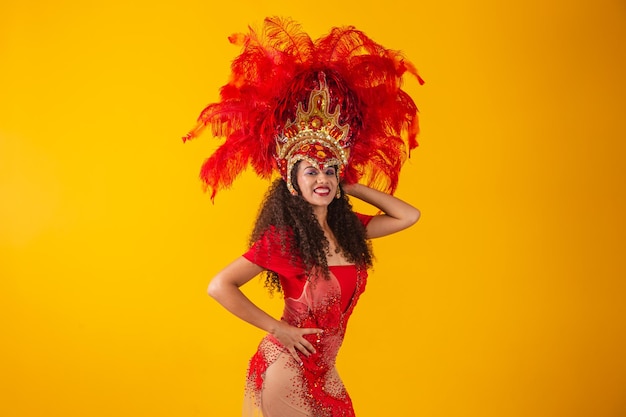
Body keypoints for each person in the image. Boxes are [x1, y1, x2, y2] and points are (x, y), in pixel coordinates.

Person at [183, 17, 423, 417]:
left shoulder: (352, 231)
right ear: (293, 182)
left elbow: (407, 216)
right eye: (311, 171)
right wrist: (278, 329)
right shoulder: (284, 240)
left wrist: (352, 185)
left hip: (325, 371)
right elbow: (219, 286)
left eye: (329, 169)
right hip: (287, 369)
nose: (322, 178)